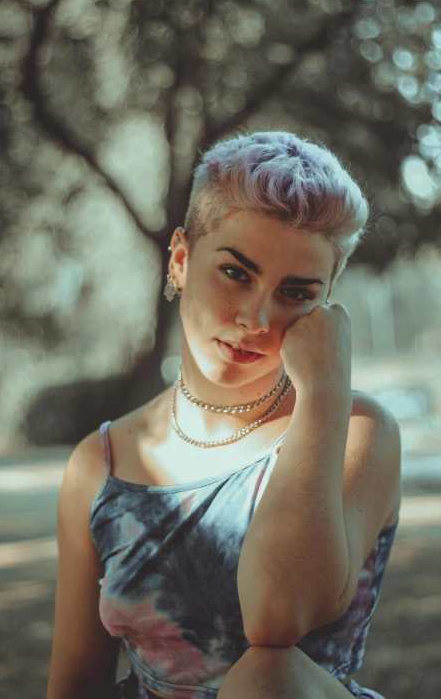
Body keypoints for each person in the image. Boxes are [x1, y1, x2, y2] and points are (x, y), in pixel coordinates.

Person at [47, 131, 402, 699]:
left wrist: (325, 392)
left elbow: (276, 618)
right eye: (236, 273)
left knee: (269, 675)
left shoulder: (358, 430)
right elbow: (75, 685)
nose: (257, 318)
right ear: (183, 259)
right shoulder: (102, 464)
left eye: (296, 293)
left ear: (327, 304)